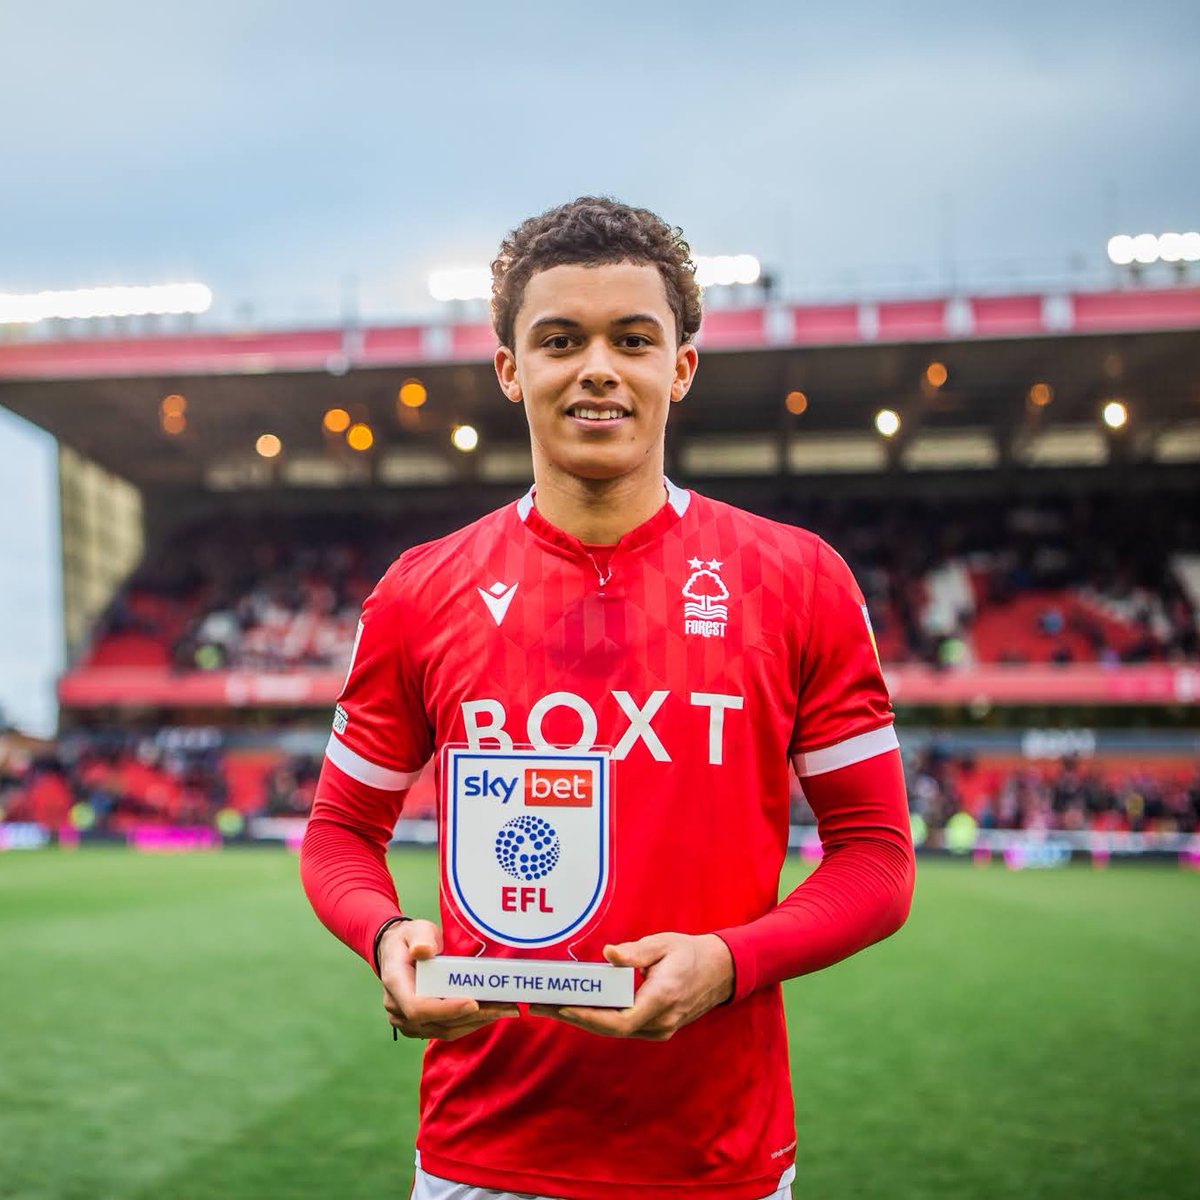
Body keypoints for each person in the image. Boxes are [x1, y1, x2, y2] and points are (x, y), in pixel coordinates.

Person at [300, 196, 915, 1200]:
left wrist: (729, 960)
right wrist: (384, 934)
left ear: (680, 365)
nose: (598, 367)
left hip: (715, 1161)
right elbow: (338, 832)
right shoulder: (420, 591)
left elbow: (880, 859)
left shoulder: (797, 579)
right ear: (510, 368)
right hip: (478, 1158)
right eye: (559, 339)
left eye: (633, 339)